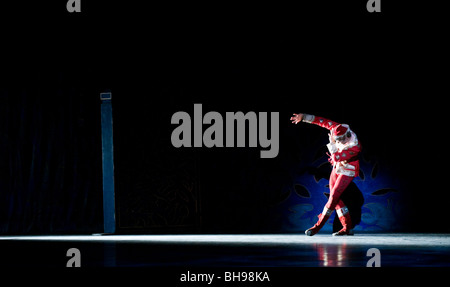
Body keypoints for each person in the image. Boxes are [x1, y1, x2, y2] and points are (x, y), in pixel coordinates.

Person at [290, 113, 361, 236]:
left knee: (333, 197)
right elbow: (323, 121)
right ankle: (347, 228)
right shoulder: (337, 128)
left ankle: (318, 226)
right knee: (336, 200)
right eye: (336, 139)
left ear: (347, 136)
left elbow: (337, 157)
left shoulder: (354, 146)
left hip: (348, 169)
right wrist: (304, 117)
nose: (338, 141)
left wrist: (332, 143)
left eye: (340, 140)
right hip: (337, 167)